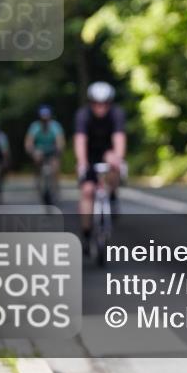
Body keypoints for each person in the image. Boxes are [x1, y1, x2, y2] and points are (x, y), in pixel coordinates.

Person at [74, 82, 126, 252]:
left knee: (114, 162)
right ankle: (87, 234)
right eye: (97, 103)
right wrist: (82, 163)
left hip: (107, 153)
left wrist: (118, 158)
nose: (100, 107)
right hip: (89, 156)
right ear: (91, 103)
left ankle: (112, 194)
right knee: (88, 191)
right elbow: (80, 140)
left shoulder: (117, 114)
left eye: (105, 103)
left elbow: (119, 138)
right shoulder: (83, 115)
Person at [25, 105, 65, 201]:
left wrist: (59, 150)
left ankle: (55, 187)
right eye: (43, 118)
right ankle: (38, 181)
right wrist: (32, 151)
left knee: (55, 167)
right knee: (37, 160)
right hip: (39, 151)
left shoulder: (55, 126)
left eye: (47, 118)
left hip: (52, 150)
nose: (45, 120)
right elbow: (28, 142)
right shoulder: (34, 127)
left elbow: (60, 141)